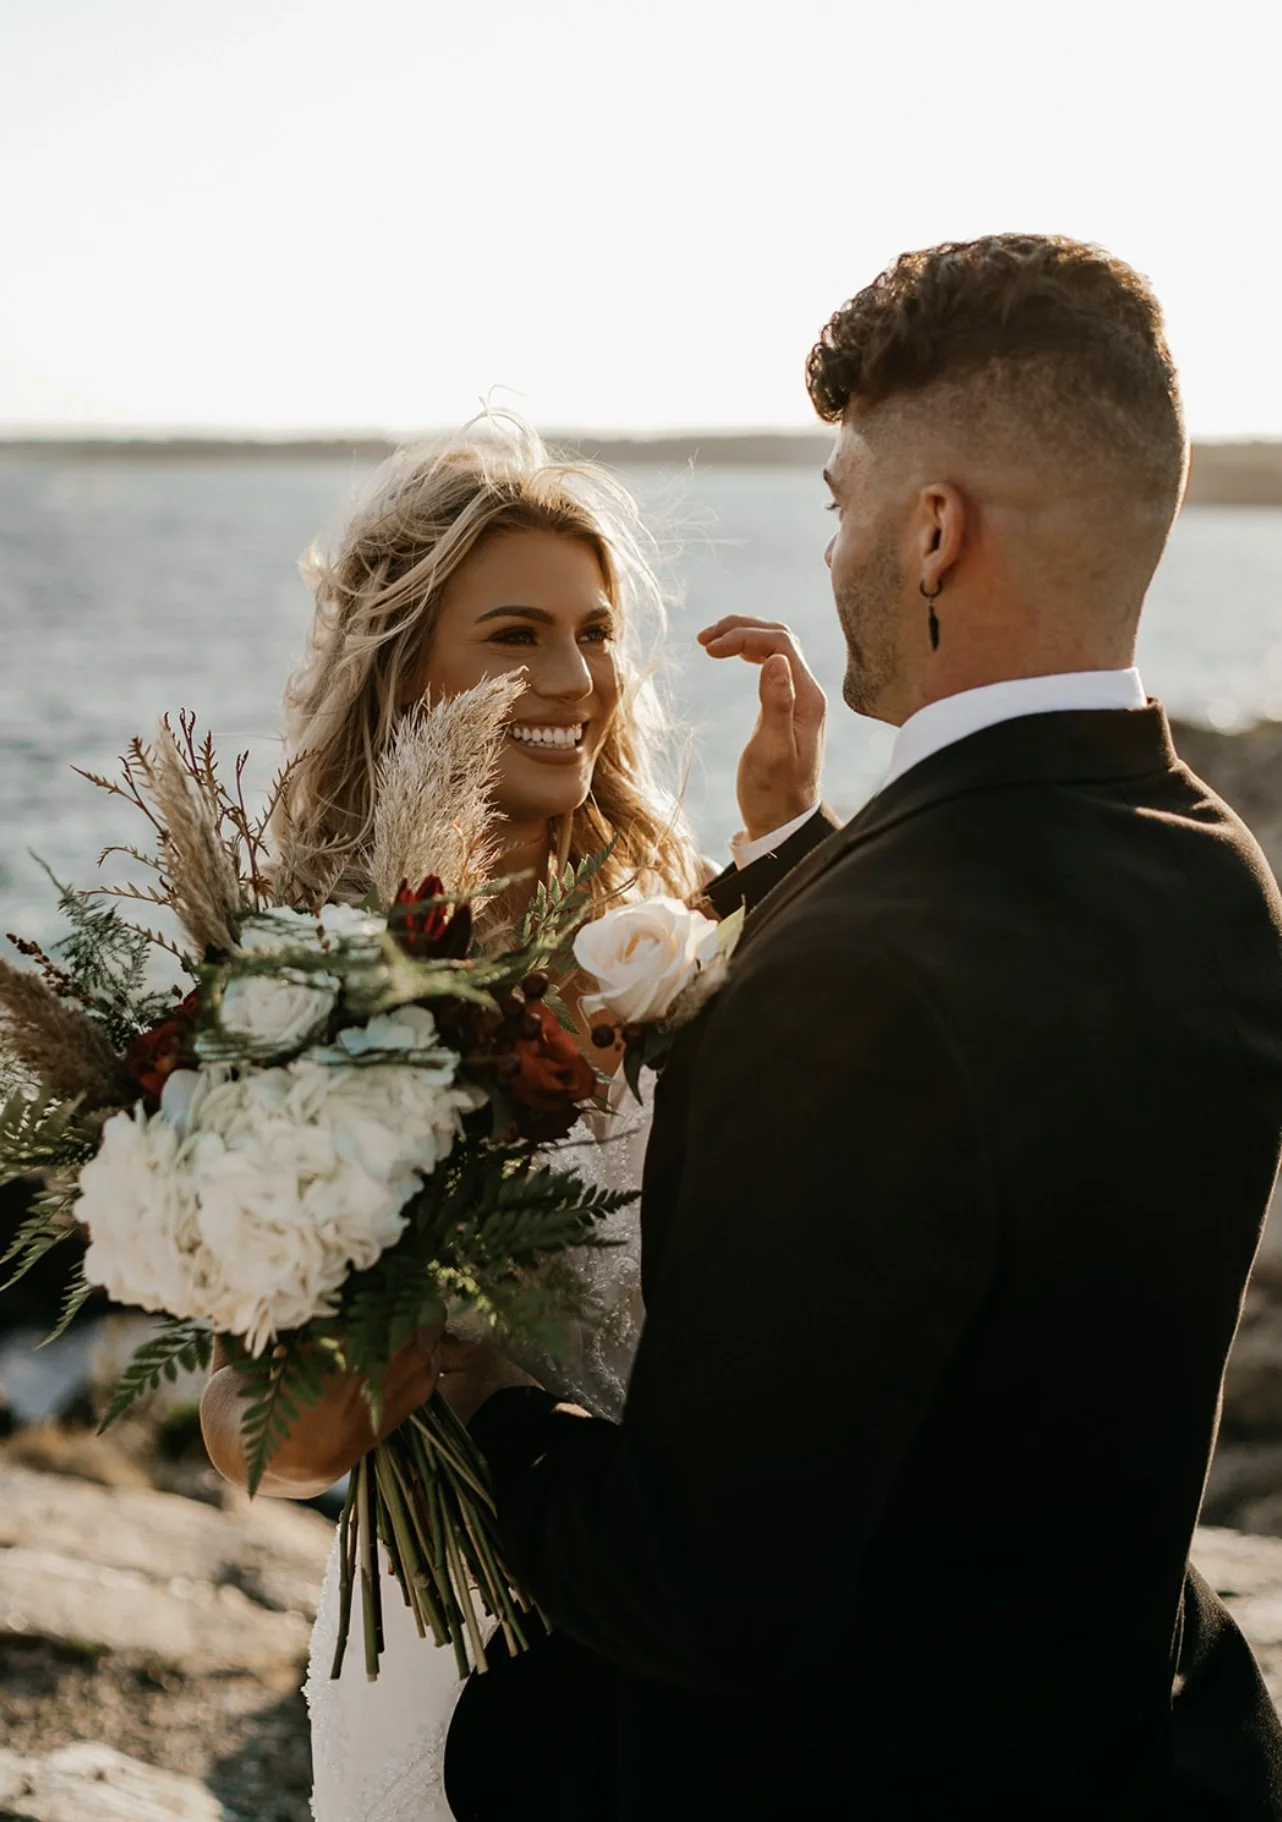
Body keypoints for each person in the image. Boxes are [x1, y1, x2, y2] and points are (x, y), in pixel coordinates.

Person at [435, 237, 1282, 1819]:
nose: (831, 549)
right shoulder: (1212, 868)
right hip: (1109, 1737)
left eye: (840, 500)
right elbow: (1007, 1026)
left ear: (934, 532)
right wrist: (782, 855)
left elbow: (706, 1592)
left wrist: (481, 1384)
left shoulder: (866, 971)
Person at [197, 417, 828, 1822]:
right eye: (513, 634)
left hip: (684, 1627)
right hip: (447, 1643)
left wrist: (782, 850)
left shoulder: (671, 930)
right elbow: (245, 1427)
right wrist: (366, 1376)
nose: (572, 678)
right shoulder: (326, 976)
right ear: (405, 667)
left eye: (596, 630)